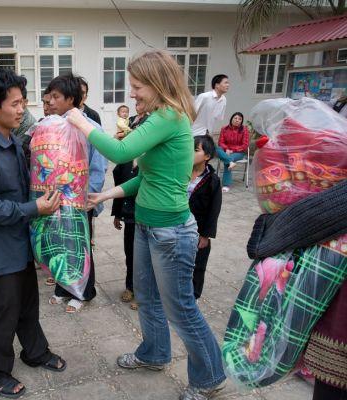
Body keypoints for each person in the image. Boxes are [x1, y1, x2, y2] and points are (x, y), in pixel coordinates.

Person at [67, 50, 226, 400]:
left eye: (138, 86)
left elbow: (120, 153)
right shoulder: (159, 117)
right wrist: (106, 195)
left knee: (181, 308)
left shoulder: (169, 116)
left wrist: (79, 119)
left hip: (171, 232)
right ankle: (154, 353)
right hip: (146, 225)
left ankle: (210, 376)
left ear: (157, 84)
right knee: (149, 298)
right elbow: (149, 176)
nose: (133, 93)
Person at [0, 68, 66, 398]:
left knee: (28, 302)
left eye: (23, 102)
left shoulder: (13, 143)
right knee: (5, 309)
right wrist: (34, 209)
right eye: (15, 103)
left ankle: (34, 352)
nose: (22, 109)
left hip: (19, 239)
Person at [46, 73, 108, 313]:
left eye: (55, 97)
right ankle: (63, 287)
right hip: (56, 200)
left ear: (70, 99)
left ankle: (84, 292)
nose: (50, 101)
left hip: (80, 201)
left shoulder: (90, 128)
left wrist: (88, 198)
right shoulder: (50, 126)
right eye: (49, 97)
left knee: (80, 245)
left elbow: (98, 166)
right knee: (60, 243)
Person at [111, 103, 149, 310]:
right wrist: (117, 214)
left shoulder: (150, 161)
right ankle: (130, 286)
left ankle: (142, 294)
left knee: (145, 258)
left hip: (146, 215)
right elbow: (121, 186)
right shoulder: (125, 159)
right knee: (130, 253)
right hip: (129, 216)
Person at [189, 135, 222, 300]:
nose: (190, 152)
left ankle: (193, 295)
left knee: (198, 264)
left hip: (198, 229)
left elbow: (214, 210)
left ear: (207, 156)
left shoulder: (212, 181)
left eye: (195, 150)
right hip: (177, 227)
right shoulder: (180, 171)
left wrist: (205, 235)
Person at [217, 112, 249, 192]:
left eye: (239, 119)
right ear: (231, 119)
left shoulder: (244, 130)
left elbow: (245, 145)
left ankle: (226, 184)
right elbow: (221, 142)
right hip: (226, 151)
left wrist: (232, 150)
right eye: (235, 118)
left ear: (241, 121)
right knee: (218, 149)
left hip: (238, 152)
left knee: (228, 159)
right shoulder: (224, 129)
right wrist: (226, 149)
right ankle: (230, 162)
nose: (237, 120)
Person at [11, 87, 37, 166]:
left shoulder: (29, 123)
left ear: (26, 102)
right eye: (14, 103)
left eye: (20, 102)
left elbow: (16, 148)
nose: (19, 109)